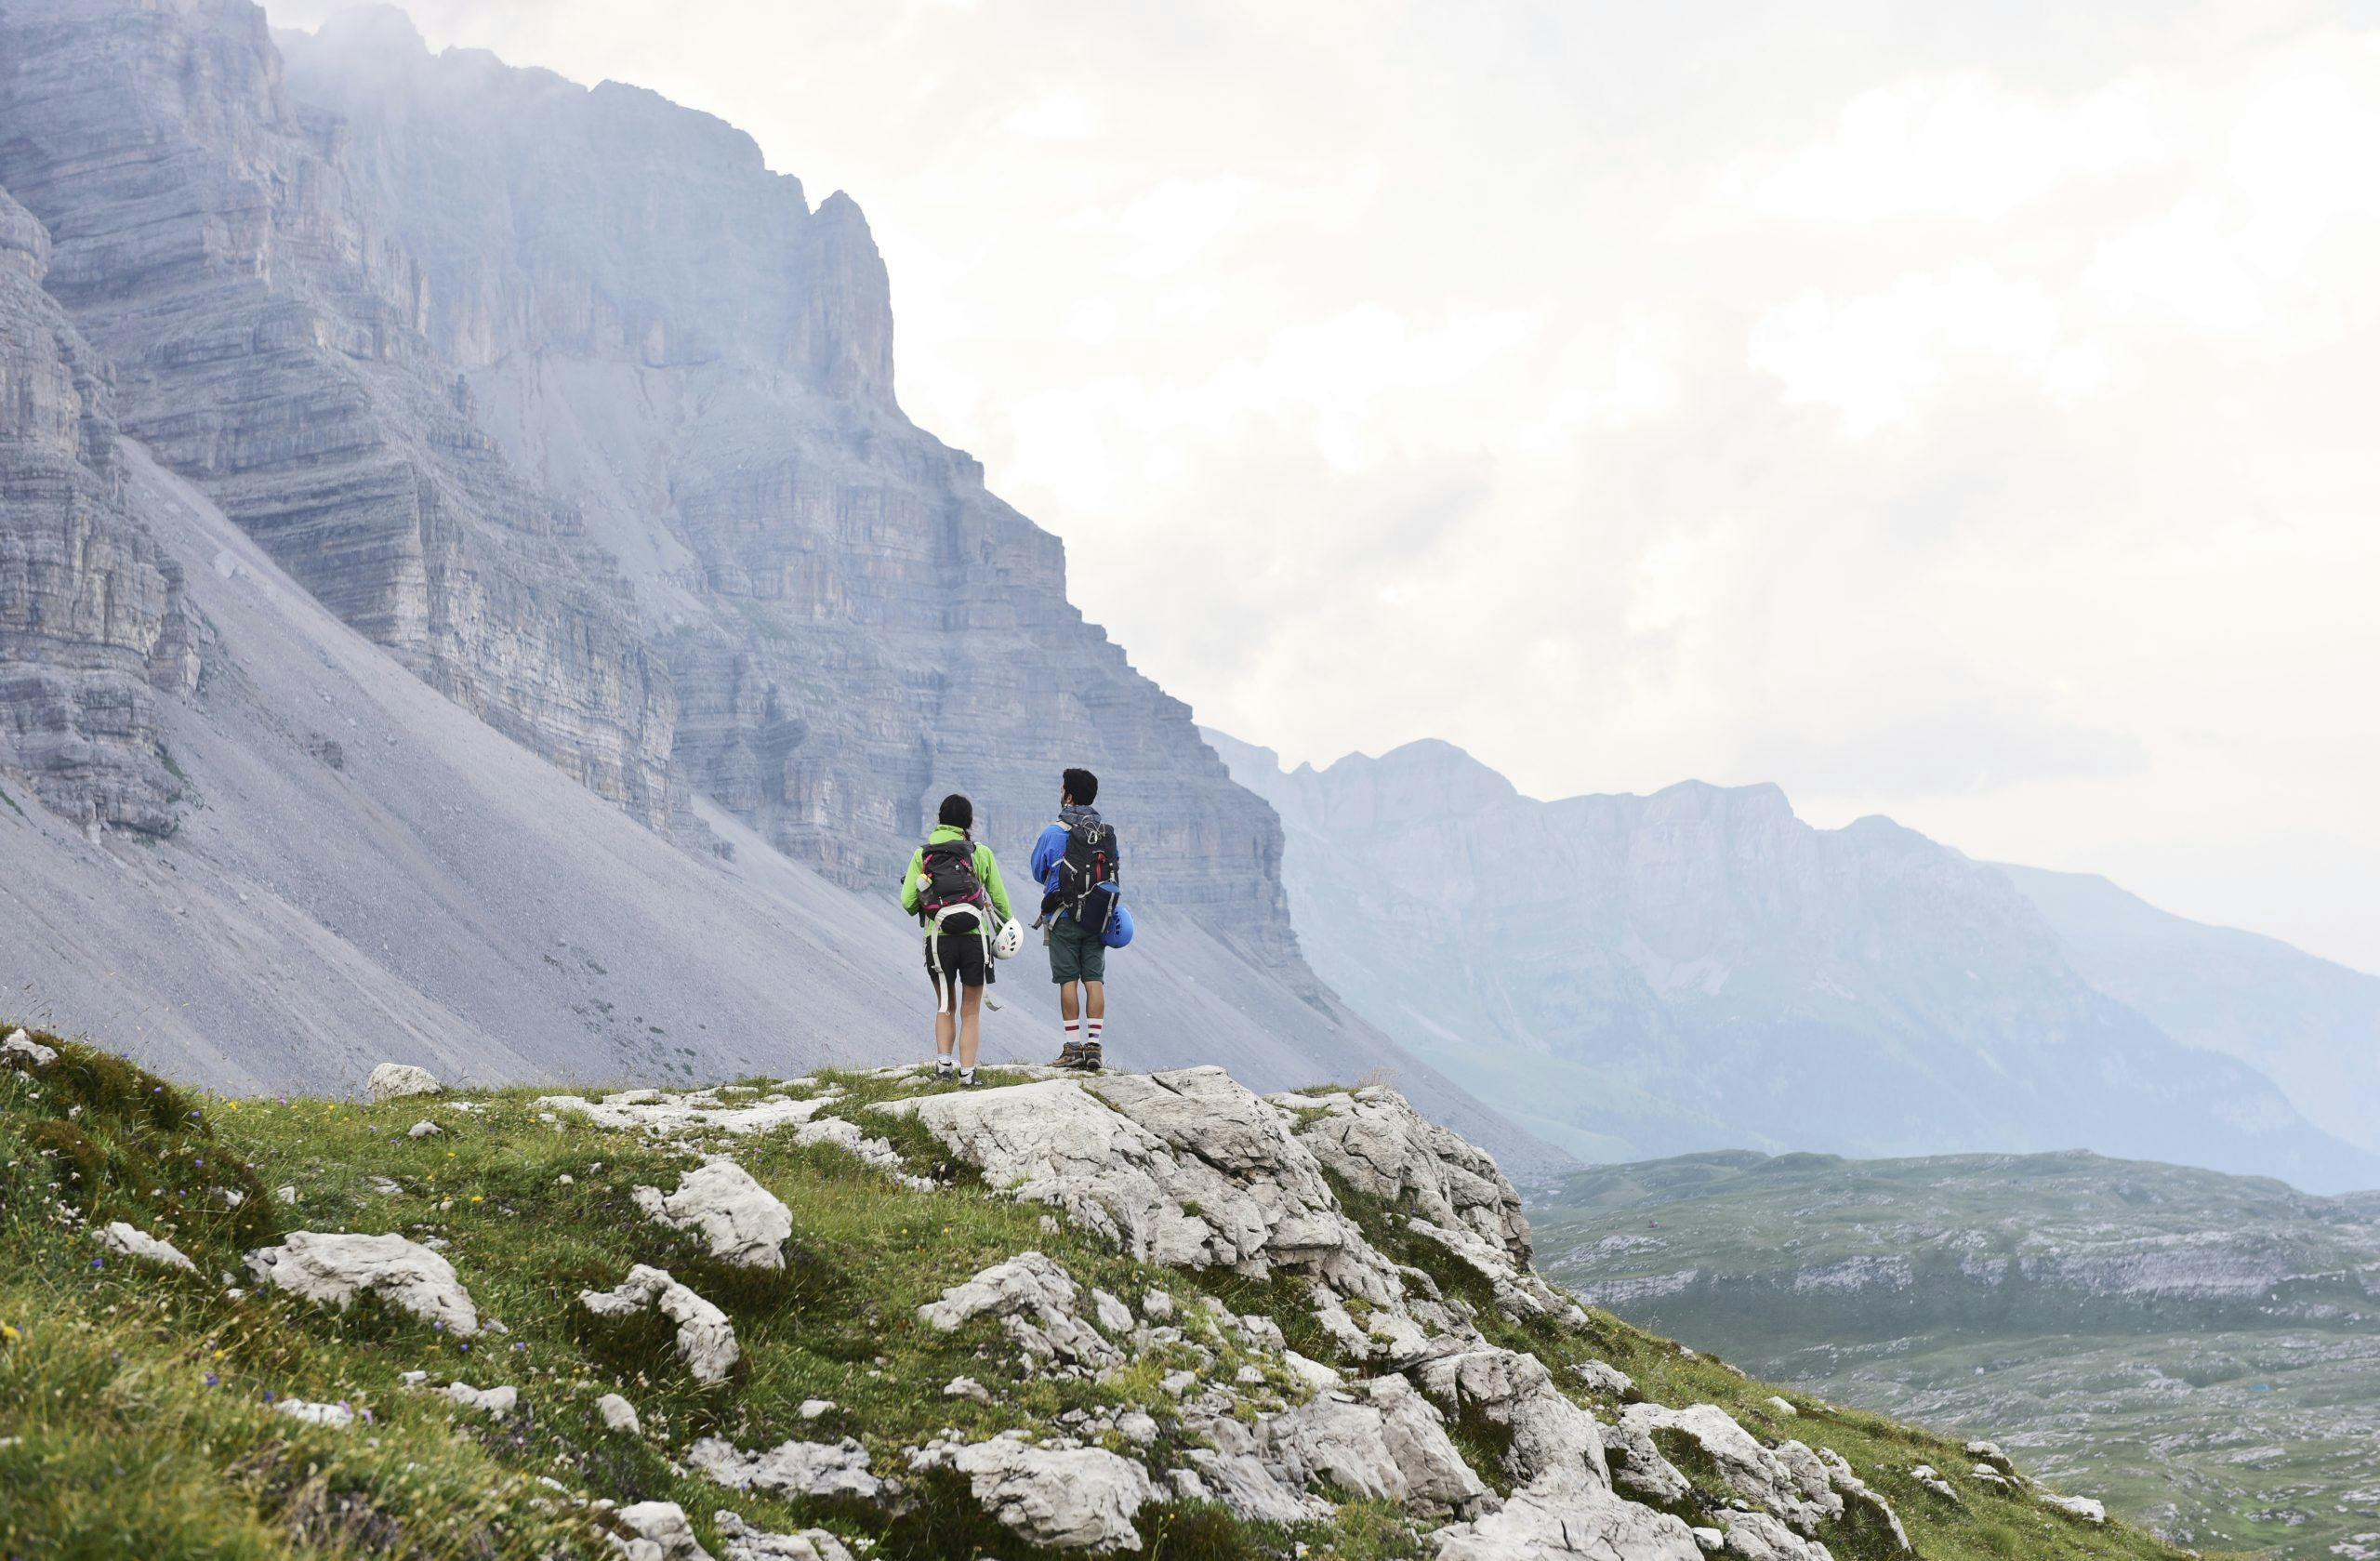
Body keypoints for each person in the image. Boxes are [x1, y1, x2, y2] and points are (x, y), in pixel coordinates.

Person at [898, 793, 1013, 1086]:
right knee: (971, 1010)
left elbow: (908, 902)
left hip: (938, 941)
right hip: (975, 940)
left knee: (945, 1004)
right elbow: (1002, 905)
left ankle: (943, 1069)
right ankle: (968, 1075)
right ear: (968, 823)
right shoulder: (980, 853)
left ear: (939, 819)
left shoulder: (922, 855)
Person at [1031, 767, 1122, 1071]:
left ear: (1068, 795)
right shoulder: (1106, 833)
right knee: (1094, 978)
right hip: (1098, 917)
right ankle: (1094, 1047)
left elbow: (1037, 870)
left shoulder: (1054, 832)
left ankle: (1071, 1049)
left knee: (1067, 979)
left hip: (1063, 916)